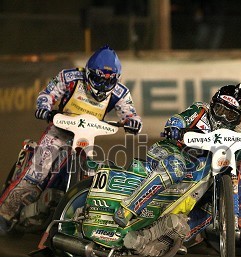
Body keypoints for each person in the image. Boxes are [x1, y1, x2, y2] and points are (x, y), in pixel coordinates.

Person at [113, 83, 241, 256]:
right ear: (213, 104)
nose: (223, 116)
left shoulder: (236, 133)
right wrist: (175, 128)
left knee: (213, 202)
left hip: (200, 172)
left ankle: (172, 237)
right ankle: (128, 208)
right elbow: (179, 119)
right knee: (176, 167)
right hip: (171, 151)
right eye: (220, 109)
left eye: (230, 114)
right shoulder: (200, 110)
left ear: (238, 118)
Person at [0, 45, 142, 235]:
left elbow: (130, 113)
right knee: (37, 173)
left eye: (109, 80)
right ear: (89, 73)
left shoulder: (120, 92)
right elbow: (47, 93)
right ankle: (5, 215)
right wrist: (44, 106)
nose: (102, 84)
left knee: (92, 176)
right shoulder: (70, 77)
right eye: (98, 78)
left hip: (86, 138)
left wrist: (133, 123)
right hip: (58, 132)